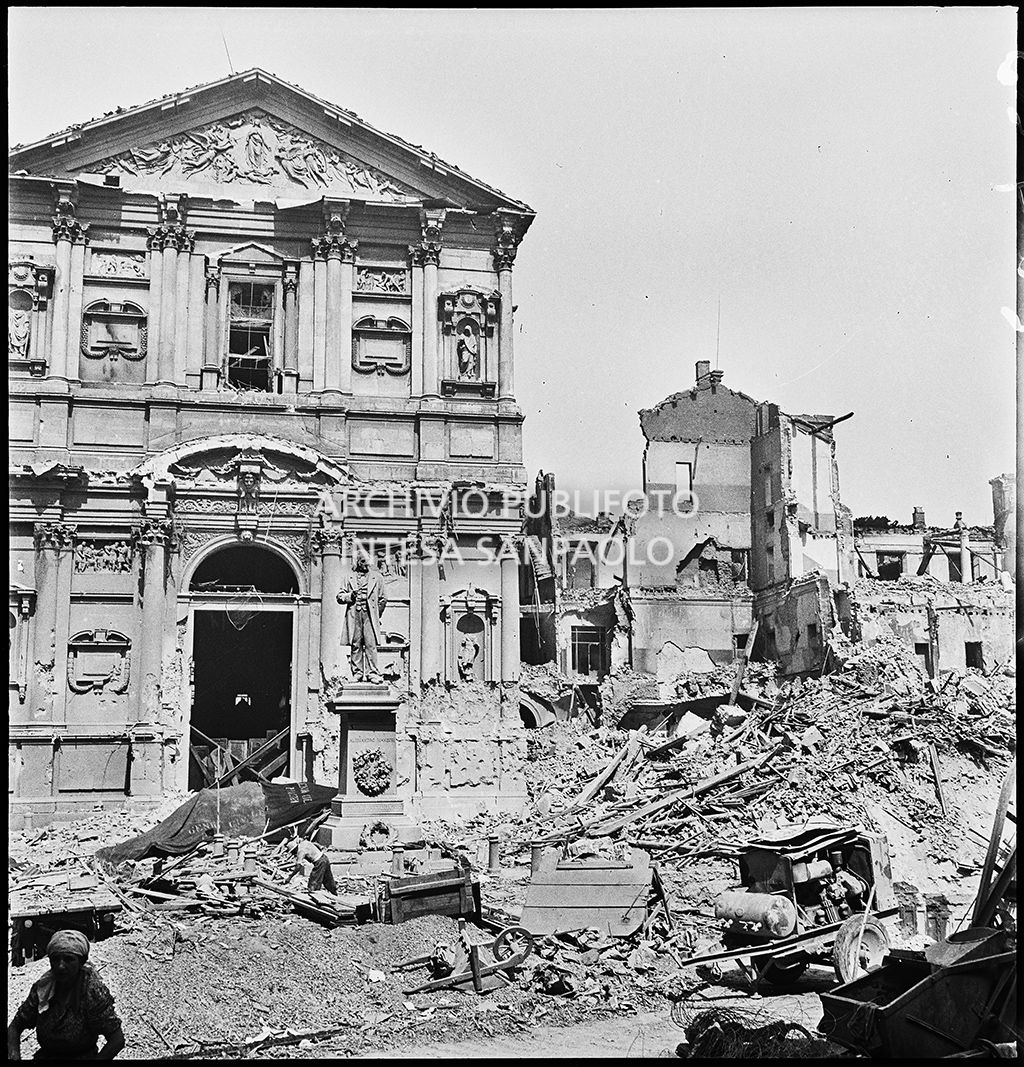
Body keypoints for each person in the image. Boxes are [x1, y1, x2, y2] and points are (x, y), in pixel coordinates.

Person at [8, 930, 125, 1061]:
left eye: (69, 959)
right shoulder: (43, 988)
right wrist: (14, 1055)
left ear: (81, 962)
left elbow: (117, 1039)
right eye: (55, 959)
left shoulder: (92, 991)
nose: (61, 966)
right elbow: (15, 1026)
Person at [337, 556, 388, 683]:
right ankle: (357, 673)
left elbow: (383, 599)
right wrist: (350, 596)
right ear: (358, 562)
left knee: (371, 645)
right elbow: (339, 596)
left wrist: (376, 614)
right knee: (356, 644)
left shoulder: (377, 577)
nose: (366, 564)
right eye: (364, 561)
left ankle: (373, 673)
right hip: (354, 615)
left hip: (369, 616)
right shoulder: (349, 577)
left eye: (368, 561)